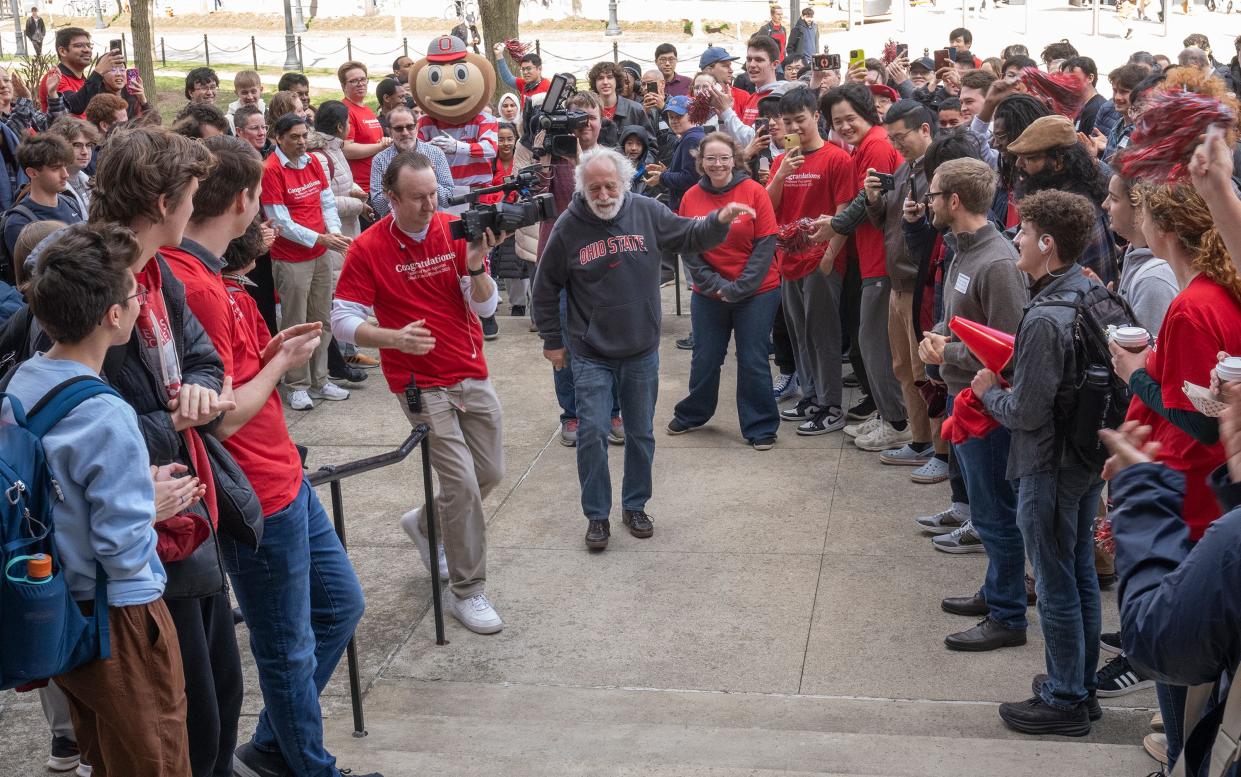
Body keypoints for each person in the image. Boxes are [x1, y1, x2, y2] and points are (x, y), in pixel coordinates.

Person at [11, 222, 191, 777]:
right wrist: (149, 501)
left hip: (61, 609)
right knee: (154, 756)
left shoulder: (25, 379)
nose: (140, 302)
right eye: (135, 294)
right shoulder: (106, 412)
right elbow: (121, 546)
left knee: (103, 754)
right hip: (121, 617)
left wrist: (135, 483)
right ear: (114, 316)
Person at [532, 145, 752, 550]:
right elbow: (544, 289)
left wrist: (719, 220)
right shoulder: (568, 226)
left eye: (610, 186)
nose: (603, 195)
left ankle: (635, 505)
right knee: (593, 432)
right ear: (582, 188)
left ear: (625, 182)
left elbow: (688, 234)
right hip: (590, 350)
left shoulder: (647, 212)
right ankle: (597, 516)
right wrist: (552, 340)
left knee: (640, 433)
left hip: (641, 348)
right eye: (594, 188)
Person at [332, 150, 507, 634]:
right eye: (418, 198)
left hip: (470, 370)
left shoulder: (453, 228)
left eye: (434, 194)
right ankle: (468, 592)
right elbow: (342, 320)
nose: (431, 206)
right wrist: (392, 338)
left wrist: (475, 268)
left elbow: (487, 306)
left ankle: (427, 524)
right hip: (419, 383)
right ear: (390, 198)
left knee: (491, 472)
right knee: (464, 486)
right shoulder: (368, 248)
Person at [1108, 182, 1241, 768]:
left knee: (1178, 655)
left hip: (1186, 493)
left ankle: (1179, 751)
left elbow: (1200, 422)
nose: (1121, 214)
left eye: (1130, 205)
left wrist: (1134, 374)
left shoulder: (1191, 305)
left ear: (1162, 227)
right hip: (1207, 486)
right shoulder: (1219, 291)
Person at [974, 190, 1109, 736]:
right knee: (1078, 575)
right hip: (1081, 459)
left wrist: (988, 393)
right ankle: (1079, 683)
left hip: (1048, 464)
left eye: (1024, 234)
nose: (1016, 240)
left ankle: (1066, 697)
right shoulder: (1090, 291)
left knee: (1056, 580)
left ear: (1047, 244)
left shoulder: (1048, 315)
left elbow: (1027, 412)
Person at [918, 158, 1031, 652]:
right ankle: (997, 592)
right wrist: (939, 337)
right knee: (987, 512)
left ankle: (1008, 615)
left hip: (988, 407)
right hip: (966, 401)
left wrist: (949, 352)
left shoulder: (997, 262)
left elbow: (1011, 345)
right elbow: (961, 319)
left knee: (996, 517)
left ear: (955, 201)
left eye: (934, 194)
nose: (928, 202)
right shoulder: (963, 250)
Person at [668, 132, 779, 449]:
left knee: (752, 358)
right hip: (710, 292)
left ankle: (760, 426)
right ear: (701, 162)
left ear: (735, 159)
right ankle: (694, 413)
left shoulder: (754, 191)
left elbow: (765, 244)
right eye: (711, 158)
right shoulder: (691, 197)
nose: (717, 164)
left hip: (757, 291)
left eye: (724, 158)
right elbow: (688, 247)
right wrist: (717, 286)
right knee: (705, 356)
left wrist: (741, 287)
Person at [823, 84, 908, 452]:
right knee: (872, 342)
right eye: (836, 121)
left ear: (868, 113)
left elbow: (864, 201)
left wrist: (834, 228)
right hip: (874, 258)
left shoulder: (875, 144)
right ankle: (889, 413)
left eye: (849, 118)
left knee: (874, 344)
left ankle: (898, 421)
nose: (843, 126)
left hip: (883, 261)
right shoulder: (866, 145)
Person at [768, 86, 853, 436]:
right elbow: (768, 208)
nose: (795, 128)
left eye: (800, 120)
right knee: (799, 333)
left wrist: (831, 255)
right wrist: (781, 175)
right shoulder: (781, 161)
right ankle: (811, 396)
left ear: (815, 116)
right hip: (789, 258)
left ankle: (831, 405)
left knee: (824, 335)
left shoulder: (836, 158)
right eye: (787, 123)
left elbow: (844, 210)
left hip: (821, 260)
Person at [260, 113, 352, 410]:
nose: (302, 142)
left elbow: (326, 201)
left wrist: (334, 234)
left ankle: (320, 379)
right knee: (296, 322)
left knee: (322, 319)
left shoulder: (313, 162)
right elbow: (279, 221)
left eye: (304, 136)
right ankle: (296, 384)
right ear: (279, 138)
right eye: (295, 137)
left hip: (321, 252)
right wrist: (320, 238)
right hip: (292, 258)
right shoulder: (271, 169)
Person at [1006, 114, 1121, 288]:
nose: (1019, 164)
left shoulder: (1071, 212)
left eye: (1029, 158)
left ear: (1058, 162)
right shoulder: (1063, 197)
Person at [1101, 172, 1177, 334]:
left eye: (1114, 199)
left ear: (1140, 208)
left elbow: (1145, 352)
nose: (1104, 204)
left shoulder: (1154, 280)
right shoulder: (1134, 251)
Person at [3, 134, 84, 263]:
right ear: (32, 173)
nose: (65, 174)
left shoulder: (70, 202)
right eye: (55, 168)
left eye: (65, 166)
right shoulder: (19, 223)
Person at [369, 105, 454, 216]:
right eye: (399, 128)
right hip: (396, 227)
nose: (405, 133)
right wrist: (388, 186)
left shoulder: (435, 153)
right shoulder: (380, 160)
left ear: (417, 127)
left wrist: (430, 180)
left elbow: (448, 200)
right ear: (389, 131)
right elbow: (379, 207)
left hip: (431, 224)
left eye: (410, 127)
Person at [338, 61, 391, 190]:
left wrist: (383, 142)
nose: (360, 84)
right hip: (361, 187)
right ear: (343, 85)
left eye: (363, 79)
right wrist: (380, 146)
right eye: (354, 81)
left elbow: (372, 141)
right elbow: (347, 150)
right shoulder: (344, 110)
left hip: (379, 182)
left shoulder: (366, 109)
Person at [44, 116, 97, 214]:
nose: (85, 152)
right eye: (77, 145)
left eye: (89, 145)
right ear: (59, 147)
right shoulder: (50, 188)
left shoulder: (89, 181)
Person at [39, 27, 97, 113]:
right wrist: (98, 72)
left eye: (89, 46)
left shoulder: (83, 81)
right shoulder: (55, 78)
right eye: (79, 45)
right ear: (62, 51)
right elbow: (73, 107)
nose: (87, 50)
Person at [588, 61, 651, 137]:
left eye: (610, 77)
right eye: (600, 78)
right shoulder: (588, 110)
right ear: (594, 83)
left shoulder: (635, 109)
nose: (605, 82)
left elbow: (651, 145)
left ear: (617, 81)